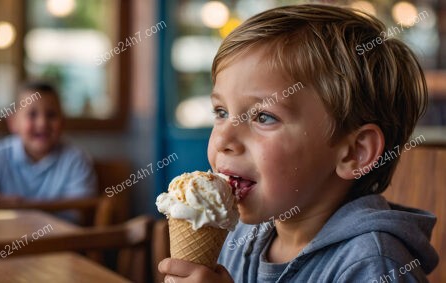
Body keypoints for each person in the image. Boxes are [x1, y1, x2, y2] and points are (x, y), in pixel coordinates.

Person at [159, 4, 438, 282]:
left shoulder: (373, 266)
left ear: (355, 152)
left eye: (264, 117)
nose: (222, 139)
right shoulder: (241, 235)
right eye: (221, 112)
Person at [0, 81, 97, 205]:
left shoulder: (76, 160)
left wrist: (20, 205)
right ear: (13, 122)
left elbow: (82, 209)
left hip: (60, 239)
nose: (42, 123)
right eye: (32, 114)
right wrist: (3, 201)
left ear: (63, 122)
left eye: (51, 115)